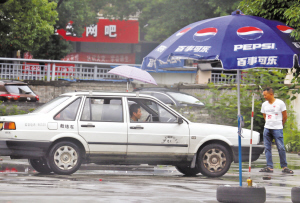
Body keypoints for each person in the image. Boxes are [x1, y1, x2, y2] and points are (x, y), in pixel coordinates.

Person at [260, 87, 293, 174]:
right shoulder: (264, 104)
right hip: (267, 128)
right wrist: (268, 123)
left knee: (281, 147)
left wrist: (280, 124)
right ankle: (269, 166)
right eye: (263, 95)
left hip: (277, 128)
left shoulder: (280, 103)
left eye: (265, 95)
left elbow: (285, 116)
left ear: (271, 94)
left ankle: (284, 166)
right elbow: (264, 116)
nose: (264, 97)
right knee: (267, 148)